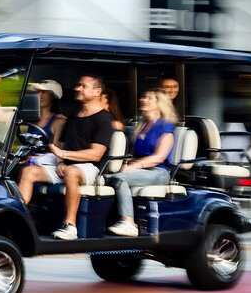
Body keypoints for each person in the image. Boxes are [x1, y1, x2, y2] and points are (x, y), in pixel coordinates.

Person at [18, 75, 115, 240]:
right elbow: (62, 146)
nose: (78, 89)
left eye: (83, 86)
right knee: (29, 171)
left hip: (90, 168)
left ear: (97, 91)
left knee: (71, 171)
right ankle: (20, 220)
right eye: (78, 85)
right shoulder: (74, 117)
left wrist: (63, 156)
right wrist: (61, 161)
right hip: (67, 165)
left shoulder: (104, 119)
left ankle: (70, 225)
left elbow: (96, 154)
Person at [107, 88, 178, 237]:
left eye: (149, 98)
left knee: (119, 180)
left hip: (159, 172)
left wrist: (133, 167)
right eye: (143, 97)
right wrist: (125, 165)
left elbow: (159, 157)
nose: (143, 100)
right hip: (141, 170)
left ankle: (129, 223)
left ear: (159, 104)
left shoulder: (165, 126)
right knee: (109, 177)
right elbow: (132, 155)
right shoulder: (140, 127)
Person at [0, 76, 67, 146]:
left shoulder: (59, 121)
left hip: (45, 161)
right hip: (26, 160)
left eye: (43, 92)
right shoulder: (28, 113)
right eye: (37, 91)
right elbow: (0, 117)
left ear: (53, 96)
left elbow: (57, 152)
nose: (39, 95)